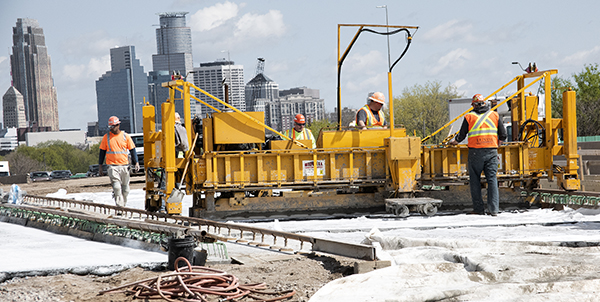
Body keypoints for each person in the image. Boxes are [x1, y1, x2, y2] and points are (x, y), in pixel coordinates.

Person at [449, 94, 507, 216]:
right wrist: (497, 144)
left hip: (475, 152)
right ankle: (494, 210)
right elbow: (503, 135)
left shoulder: (469, 116)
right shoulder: (494, 115)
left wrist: (454, 142)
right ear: (484, 103)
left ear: (474, 105)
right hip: (491, 151)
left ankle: (478, 209)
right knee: (492, 180)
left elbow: (461, 135)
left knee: (475, 180)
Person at [98, 116, 140, 212]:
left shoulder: (126, 136)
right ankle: (119, 207)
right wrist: (100, 166)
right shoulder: (106, 137)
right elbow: (102, 152)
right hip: (112, 166)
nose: (111, 129)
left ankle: (123, 206)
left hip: (125, 166)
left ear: (118, 125)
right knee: (117, 187)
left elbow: (133, 150)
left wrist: (136, 162)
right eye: (110, 127)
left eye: (113, 126)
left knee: (126, 190)